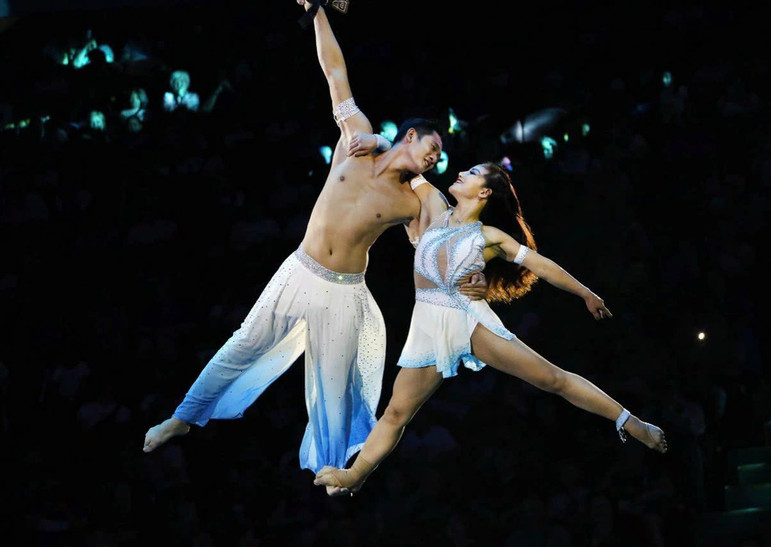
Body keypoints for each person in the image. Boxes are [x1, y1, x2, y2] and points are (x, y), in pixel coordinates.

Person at [142, 1, 487, 494]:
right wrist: (319, 9)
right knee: (244, 344)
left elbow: (435, 250)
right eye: (430, 149)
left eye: (437, 159)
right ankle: (184, 417)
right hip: (299, 271)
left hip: (344, 292)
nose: (433, 160)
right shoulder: (357, 139)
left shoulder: (413, 200)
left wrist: (470, 276)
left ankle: (341, 474)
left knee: (333, 389)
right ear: (409, 136)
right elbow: (334, 70)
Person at [313, 159, 668, 495]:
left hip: (468, 320)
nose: (463, 172)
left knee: (552, 379)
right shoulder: (434, 210)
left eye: (474, 172)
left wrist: (585, 293)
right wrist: (369, 138)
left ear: (485, 192)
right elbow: (405, 161)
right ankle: (354, 475)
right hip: (426, 327)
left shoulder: (490, 236)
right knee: (395, 413)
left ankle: (632, 422)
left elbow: (542, 266)